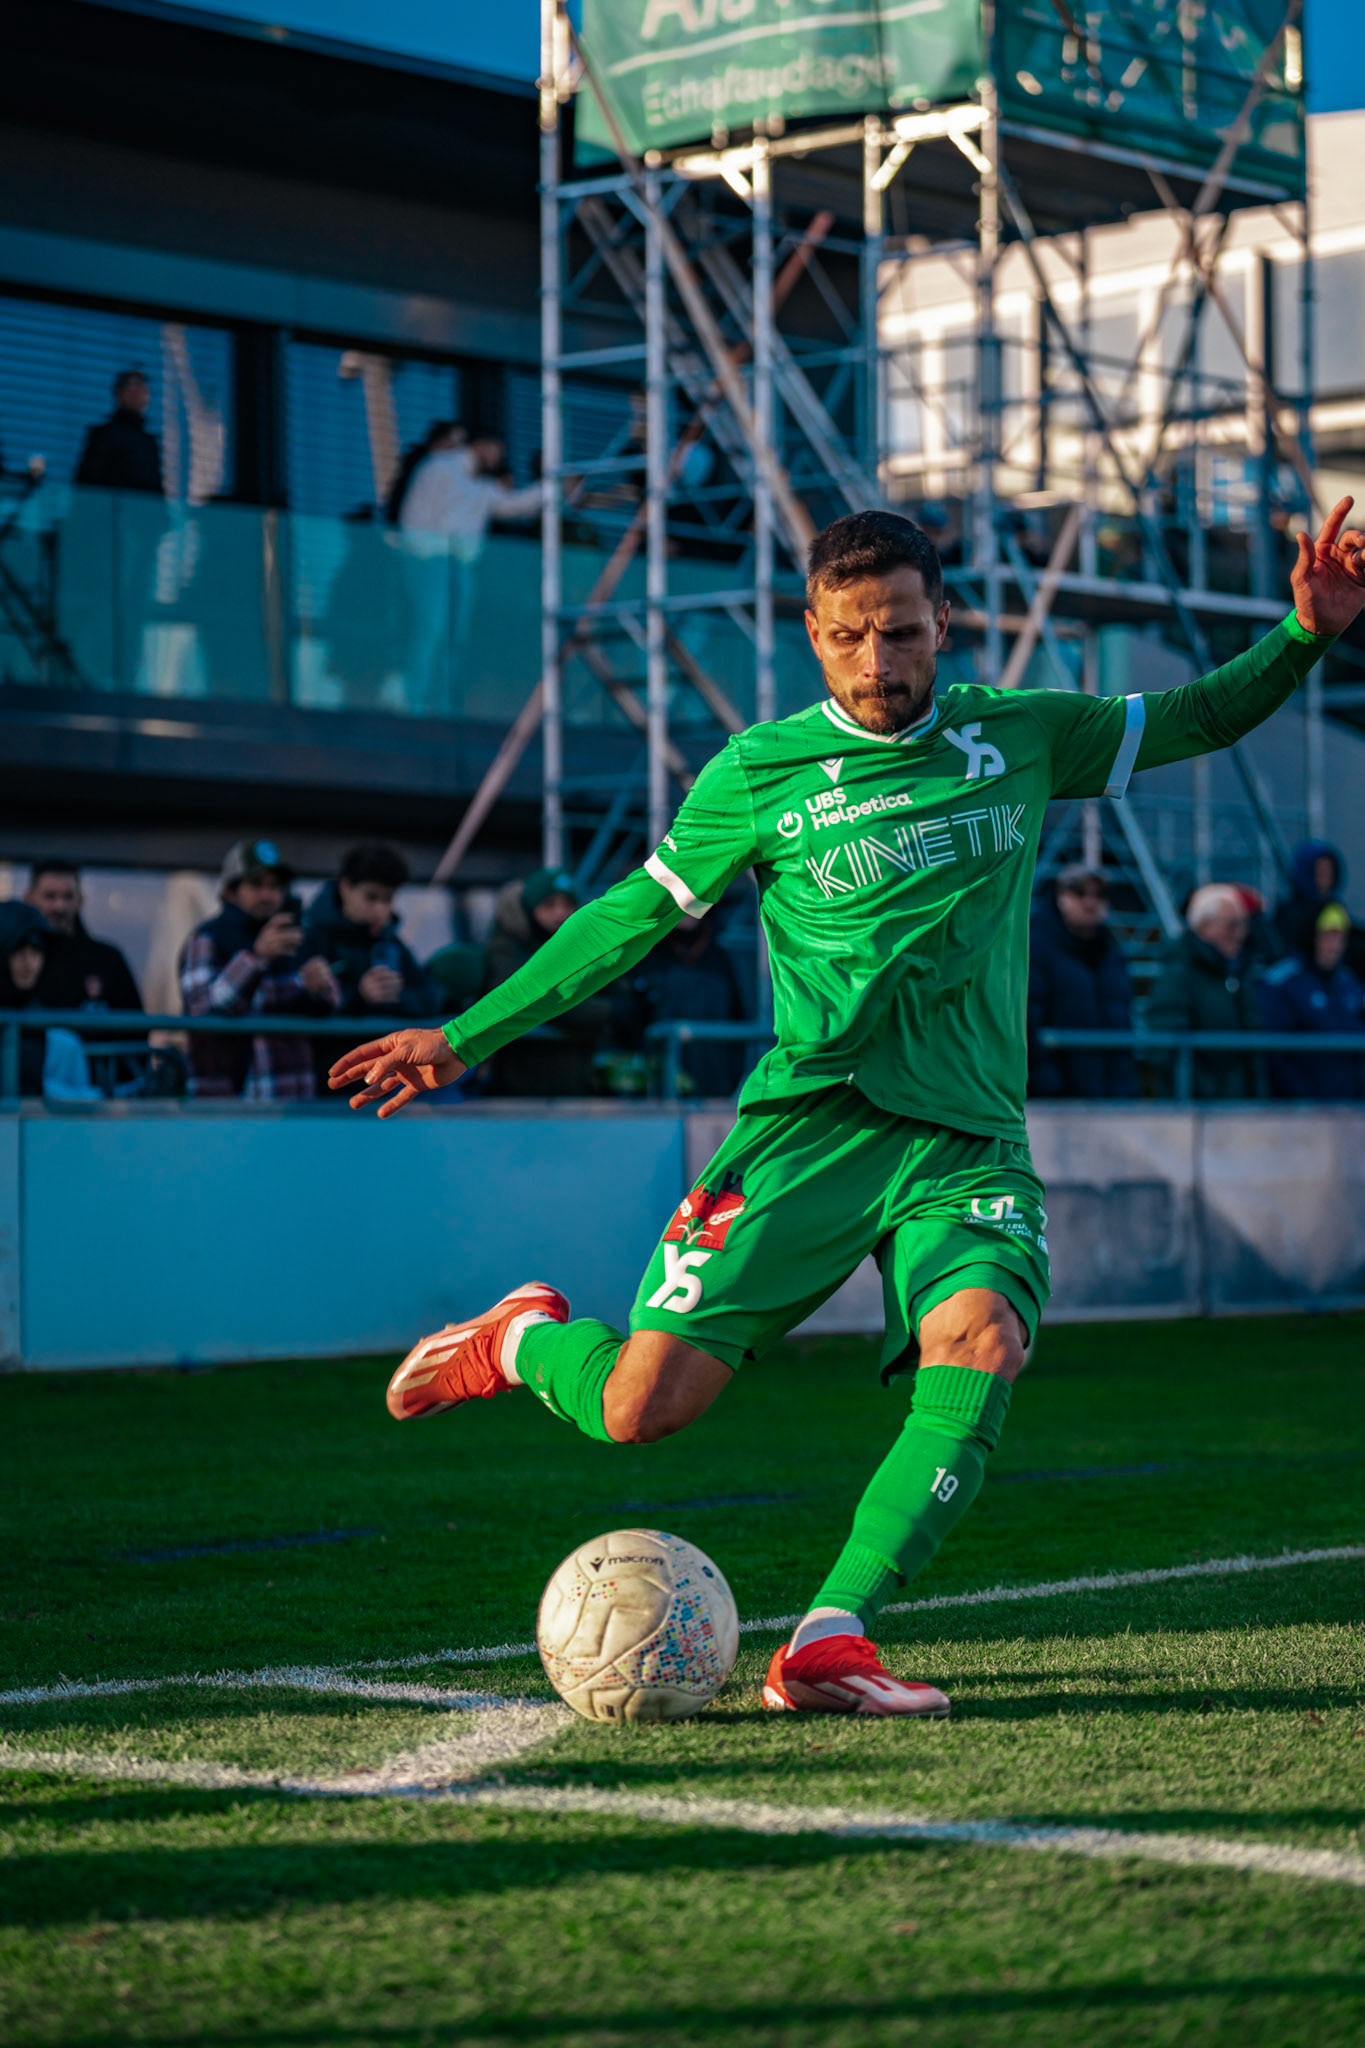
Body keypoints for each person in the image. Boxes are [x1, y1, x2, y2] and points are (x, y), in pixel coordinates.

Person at [330, 498, 1365, 1720]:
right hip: (808, 1129)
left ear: (946, 623)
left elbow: (1197, 716)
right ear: (813, 633)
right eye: (850, 638)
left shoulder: (1024, 734)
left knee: (983, 1339)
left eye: (905, 634)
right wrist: (463, 1036)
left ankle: (829, 1634)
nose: (880, 663)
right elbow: (629, 917)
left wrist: (1305, 633)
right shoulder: (758, 772)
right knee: (635, 1409)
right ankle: (516, 1339)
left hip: (964, 1137)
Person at [180, 839, 340, 1099]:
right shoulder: (207, 938)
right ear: (230, 891)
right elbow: (204, 1011)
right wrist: (257, 958)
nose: (268, 895)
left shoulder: (295, 936)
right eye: (256, 885)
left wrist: (320, 986)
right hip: (229, 1105)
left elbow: (332, 1001)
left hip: (296, 1106)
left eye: (275, 887)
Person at [399, 432, 541, 714]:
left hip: (462, 567)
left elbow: (510, 505)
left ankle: (444, 704)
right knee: (432, 629)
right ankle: (416, 702)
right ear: (480, 445)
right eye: (496, 452)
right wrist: (423, 552)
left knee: (455, 636)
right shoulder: (439, 467)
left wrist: (552, 489)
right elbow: (414, 515)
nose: (498, 460)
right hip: (431, 561)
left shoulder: (482, 485)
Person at [482, 867, 614, 1097]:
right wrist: (604, 1012)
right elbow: (528, 999)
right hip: (516, 1089)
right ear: (531, 907)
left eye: (568, 904)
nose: (560, 913)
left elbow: (623, 998)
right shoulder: (505, 948)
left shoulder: (590, 948)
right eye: (549, 904)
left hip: (576, 1086)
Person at [73, 369, 166, 688]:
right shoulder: (105, 436)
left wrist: (155, 526)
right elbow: (87, 488)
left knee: (134, 606)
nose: (141, 395)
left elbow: (155, 493)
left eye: (144, 390)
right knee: (111, 602)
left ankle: (126, 672)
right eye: (134, 389)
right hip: (113, 533)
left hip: (141, 536)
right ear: (120, 394)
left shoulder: (149, 444)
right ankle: (99, 672)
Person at [1027, 864, 1137, 1099]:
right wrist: (1045, 1081)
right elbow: (1026, 1017)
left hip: (1111, 1093)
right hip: (1056, 1095)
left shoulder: (1111, 951)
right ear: (1061, 896)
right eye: (1080, 893)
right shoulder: (1035, 947)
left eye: (1100, 895)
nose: (1090, 902)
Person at [1145, 883, 1263, 1100]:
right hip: (1200, 1109)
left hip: (1239, 1107)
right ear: (1202, 925)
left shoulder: (1240, 975)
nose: (1237, 934)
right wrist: (1206, 1092)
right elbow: (1166, 1048)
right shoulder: (1179, 973)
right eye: (1230, 925)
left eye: (1242, 925)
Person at [302, 844, 439, 1023]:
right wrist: (359, 996)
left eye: (388, 899)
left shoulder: (391, 942)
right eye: (371, 897)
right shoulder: (310, 937)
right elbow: (295, 1001)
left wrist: (397, 996)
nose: (381, 910)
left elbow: (431, 997)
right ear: (345, 888)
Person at [624, 910, 748, 1098]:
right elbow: (630, 1022)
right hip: (658, 1092)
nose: (687, 910)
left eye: (694, 901)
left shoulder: (720, 960)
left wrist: (729, 1077)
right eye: (680, 902)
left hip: (715, 1091)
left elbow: (737, 1019)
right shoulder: (648, 957)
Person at [1258, 903, 1365, 1099]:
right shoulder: (1283, 981)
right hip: (1302, 1110)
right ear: (1312, 936)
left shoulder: (1348, 982)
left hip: (1350, 1107)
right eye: (1329, 936)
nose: (1336, 946)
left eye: (1341, 937)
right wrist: (1302, 1097)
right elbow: (1275, 1053)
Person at [0, 903, 99, 1098]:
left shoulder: (61, 1044)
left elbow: (77, 1121)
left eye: (36, 950)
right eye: (17, 950)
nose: (28, 962)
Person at [24, 859, 142, 1012]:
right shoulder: (16, 961)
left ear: (80, 899)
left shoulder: (107, 961)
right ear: (30, 898)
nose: (60, 906)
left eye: (68, 896)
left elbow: (134, 1024)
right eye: (50, 896)